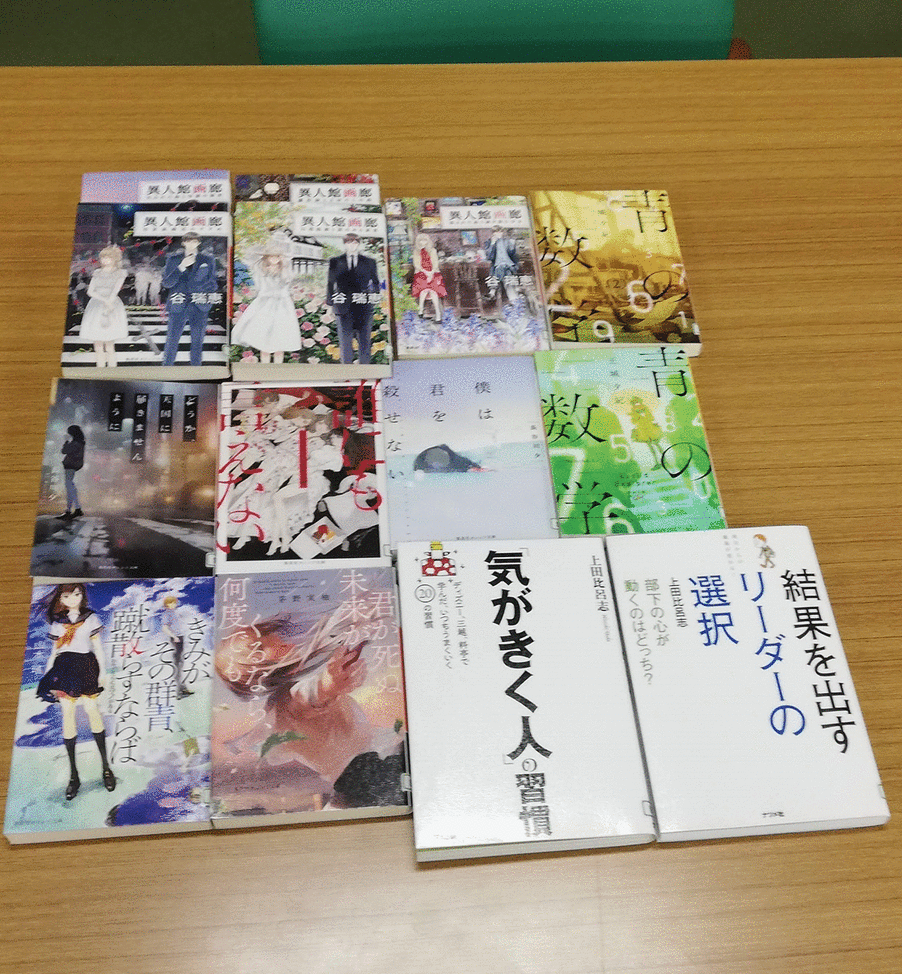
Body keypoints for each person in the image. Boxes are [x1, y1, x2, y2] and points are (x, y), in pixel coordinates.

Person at [36, 584, 116, 800]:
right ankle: (74, 776)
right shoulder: (57, 622)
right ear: (61, 599)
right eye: (67, 595)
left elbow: (97, 647)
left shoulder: (90, 617)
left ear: (83, 595)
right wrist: (47, 677)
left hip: (86, 665)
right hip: (63, 668)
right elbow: (54, 652)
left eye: (77, 594)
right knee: (68, 715)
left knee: (92, 710)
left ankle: (106, 768)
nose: (73, 598)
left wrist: (103, 672)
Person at [230, 238, 300, 363]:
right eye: (271, 256)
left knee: (280, 342)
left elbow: (288, 283)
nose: (274, 259)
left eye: (277, 256)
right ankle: (264, 368)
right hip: (265, 304)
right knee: (264, 341)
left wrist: (284, 267)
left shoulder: (285, 270)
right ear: (267, 258)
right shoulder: (261, 270)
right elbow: (259, 286)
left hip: (283, 306)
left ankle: (277, 369)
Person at [161, 232, 217, 367]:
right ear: (183, 243)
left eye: (194, 241)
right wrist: (181, 266)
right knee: (172, 340)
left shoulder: (207, 260)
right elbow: (167, 283)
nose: (191, 244)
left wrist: (203, 291)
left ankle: (196, 370)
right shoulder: (174, 259)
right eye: (188, 241)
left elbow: (213, 283)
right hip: (178, 303)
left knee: (197, 342)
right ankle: (166, 369)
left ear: (199, 243)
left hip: (199, 304)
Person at [326, 233, 380, 364]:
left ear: (359, 244)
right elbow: (330, 283)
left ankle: (365, 370)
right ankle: (347, 370)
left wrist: (374, 299)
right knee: (345, 342)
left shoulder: (369, 262)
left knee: (365, 341)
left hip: (363, 304)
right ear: (345, 244)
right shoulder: (335, 261)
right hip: (343, 305)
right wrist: (330, 304)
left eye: (355, 242)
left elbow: (376, 282)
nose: (352, 245)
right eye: (349, 242)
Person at [79, 245, 128, 368]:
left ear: (114, 258)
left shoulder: (120, 273)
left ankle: (112, 371)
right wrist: (104, 300)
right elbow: (90, 291)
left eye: (107, 257)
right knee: (98, 346)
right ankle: (100, 370)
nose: (104, 260)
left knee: (110, 345)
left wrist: (109, 303)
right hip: (96, 306)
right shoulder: (97, 272)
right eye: (102, 257)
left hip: (112, 306)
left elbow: (115, 291)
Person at [160, 595, 193, 698]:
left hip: (180, 637)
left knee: (180, 663)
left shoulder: (175, 612)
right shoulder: (166, 614)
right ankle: (179, 691)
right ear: (166, 604)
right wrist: (174, 636)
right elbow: (164, 628)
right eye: (171, 603)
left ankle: (183, 689)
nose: (173, 604)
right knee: (178, 664)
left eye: (174, 603)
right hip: (176, 639)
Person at [410, 232, 447, 322]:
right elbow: (416, 264)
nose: (423, 242)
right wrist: (426, 273)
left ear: (428, 241)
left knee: (432, 291)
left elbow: (435, 263)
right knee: (425, 290)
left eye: (425, 240)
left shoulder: (433, 250)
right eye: (421, 241)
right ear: (418, 242)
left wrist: (431, 273)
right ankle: (422, 309)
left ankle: (436, 314)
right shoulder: (416, 251)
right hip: (421, 273)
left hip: (433, 272)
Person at [484, 226, 520, 305]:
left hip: (509, 265)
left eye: (500, 232)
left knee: (503, 269)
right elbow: (489, 257)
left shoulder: (507, 241)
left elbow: (512, 253)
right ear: (493, 233)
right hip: (499, 267)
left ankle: (492, 291)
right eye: (497, 232)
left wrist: (512, 243)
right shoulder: (489, 242)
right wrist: (492, 243)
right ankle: (514, 299)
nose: (499, 234)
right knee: (505, 273)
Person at [57, 424, 85, 520]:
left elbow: (64, 451)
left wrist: (66, 441)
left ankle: (77, 509)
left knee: (69, 486)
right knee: (70, 487)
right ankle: (69, 510)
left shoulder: (76, 443)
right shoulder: (79, 442)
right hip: (72, 465)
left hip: (70, 465)